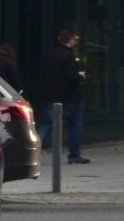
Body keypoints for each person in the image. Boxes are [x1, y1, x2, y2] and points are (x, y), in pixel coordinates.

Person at [36, 29, 90, 164]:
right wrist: (81, 76)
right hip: (70, 97)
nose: (75, 41)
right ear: (70, 40)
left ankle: (32, 150)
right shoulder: (69, 56)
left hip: (50, 96)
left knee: (47, 125)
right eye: (74, 39)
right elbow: (72, 77)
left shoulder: (49, 55)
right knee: (74, 125)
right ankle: (74, 155)